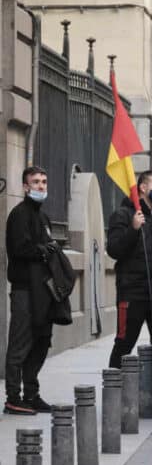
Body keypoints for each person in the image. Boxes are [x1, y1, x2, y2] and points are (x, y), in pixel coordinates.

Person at [106, 170, 152, 403]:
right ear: (143, 188)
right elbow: (114, 249)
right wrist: (133, 229)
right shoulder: (124, 215)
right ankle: (113, 395)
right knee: (124, 343)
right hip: (133, 290)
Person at [4, 166, 57, 414]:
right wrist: (42, 251)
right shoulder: (19, 214)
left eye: (44, 182)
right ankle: (13, 398)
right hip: (25, 290)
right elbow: (19, 250)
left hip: (43, 292)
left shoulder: (43, 217)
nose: (41, 186)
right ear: (25, 187)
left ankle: (31, 393)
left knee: (42, 341)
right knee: (20, 343)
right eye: (35, 182)